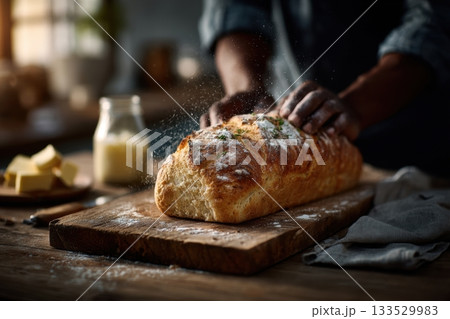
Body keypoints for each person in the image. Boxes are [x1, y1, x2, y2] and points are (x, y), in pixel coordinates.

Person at [198, 0, 450, 177]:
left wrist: (354, 106)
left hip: (412, 146)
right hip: (292, 131)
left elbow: (432, 24)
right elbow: (235, 8)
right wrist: (247, 87)